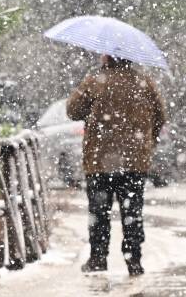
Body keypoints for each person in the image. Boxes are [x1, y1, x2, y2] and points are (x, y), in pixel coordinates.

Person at [66, 54, 166, 276]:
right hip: (134, 162)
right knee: (132, 212)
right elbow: (160, 116)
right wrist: (147, 142)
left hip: (100, 161)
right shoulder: (144, 83)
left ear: (107, 57)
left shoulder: (95, 81)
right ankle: (134, 260)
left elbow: (72, 111)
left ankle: (98, 258)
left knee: (99, 212)